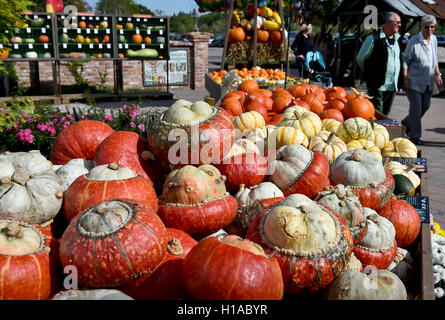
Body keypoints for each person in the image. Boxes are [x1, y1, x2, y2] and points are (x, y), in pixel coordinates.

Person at [401, 14, 443, 145]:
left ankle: (407, 122)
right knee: (416, 109)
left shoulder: (434, 39)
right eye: (427, 27)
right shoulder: (414, 41)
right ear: (421, 27)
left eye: (432, 27)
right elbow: (405, 60)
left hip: (427, 81)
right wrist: (405, 78)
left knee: (426, 106)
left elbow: (434, 57)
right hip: (414, 81)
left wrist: (437, 73)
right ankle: (415, 136)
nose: (429, 30)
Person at [356, 12, 403, 116]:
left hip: (392, 85)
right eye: (397, 22)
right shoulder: (373, 39)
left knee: (386, 115)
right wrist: (369, 72)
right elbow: (360, 58)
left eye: (400, 22)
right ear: (388, 22)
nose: (400, 25)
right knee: (377, 115)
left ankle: (383, 131)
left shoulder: (397, 39)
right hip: (377, 85)